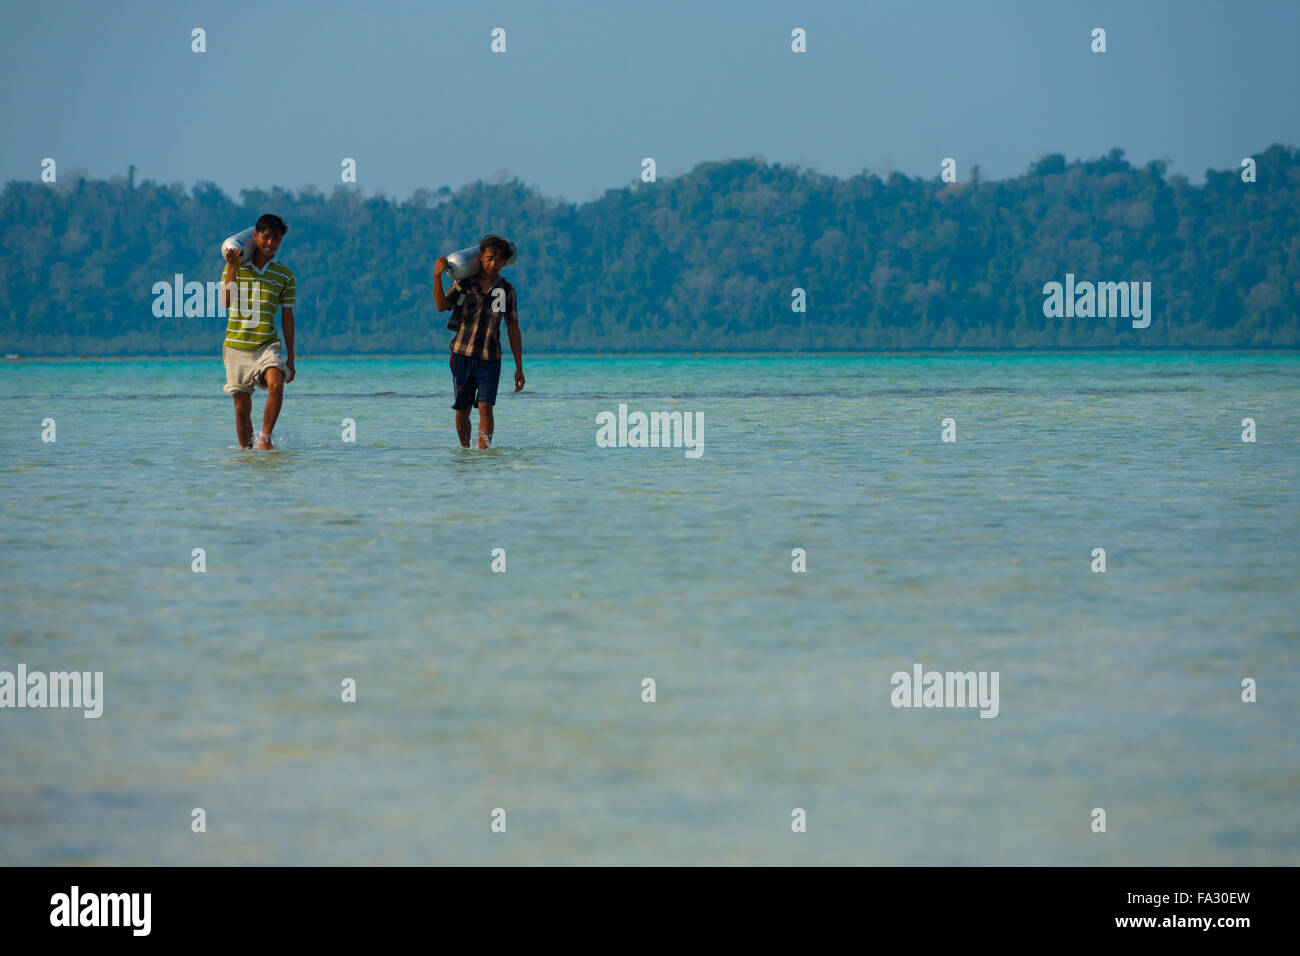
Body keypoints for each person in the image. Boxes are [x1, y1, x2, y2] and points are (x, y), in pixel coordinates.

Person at [433, 235, 524, 448]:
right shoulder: (464, 284)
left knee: (486, 406)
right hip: (462, 355)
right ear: (481, 258)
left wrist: (519, 367)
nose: (494, 264)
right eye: (490, 258)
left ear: (505, 262)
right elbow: (441, 305)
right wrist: (437, 277)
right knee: (462, 408)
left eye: (499, 260)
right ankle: (465, 452)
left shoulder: (506, 291)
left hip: (490, 358)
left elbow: (512, 327)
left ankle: (484, 455)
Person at [220, 214, 296, 449]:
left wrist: (291, 358)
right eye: (266, 237)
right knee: (242, 410)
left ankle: (265, 439)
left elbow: (287, 316)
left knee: (276, 382)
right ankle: (247, 460)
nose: (271, 243)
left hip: (266, 345)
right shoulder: (235, 267)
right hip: (236, 346)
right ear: (255, 236)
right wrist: (232, 267)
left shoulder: (285, 275)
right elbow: (225, 301)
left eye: (276, 239)